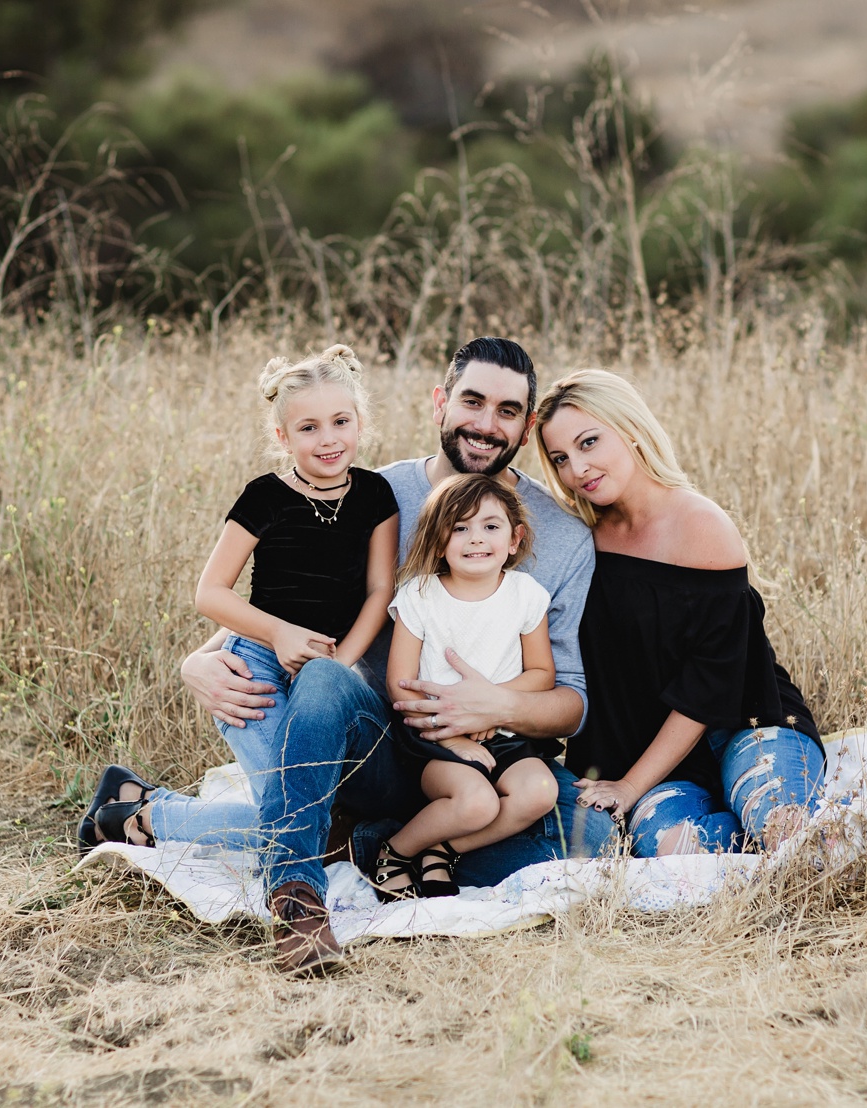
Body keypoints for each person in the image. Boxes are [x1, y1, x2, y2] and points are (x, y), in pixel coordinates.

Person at [170, 337, 600, 970]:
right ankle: (299, 897)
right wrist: (200, 657)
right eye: (472, 401)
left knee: (579, 844)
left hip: (493, 750)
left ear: (527, 425)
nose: (486, 424)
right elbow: (301, 599)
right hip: (372, 742)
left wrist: (494, 704)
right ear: (439, 403)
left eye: (507, 411)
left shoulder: (561, 538)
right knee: (325, 676)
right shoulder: (376, 493)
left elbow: (572, 702)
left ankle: (337, 841)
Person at [77, 343, 399, 973]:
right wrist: (280, 636)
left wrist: (337, 667)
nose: (328, 439)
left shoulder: (377, 496)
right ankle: (298, 909)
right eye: (308, 428)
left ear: (362, 422)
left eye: (341, 422)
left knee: (310, 816)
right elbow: (210, 592)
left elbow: (379, 592)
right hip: (253, 665)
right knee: (309, 816)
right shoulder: (263, 497)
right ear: (282, 435)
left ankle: (144, 813)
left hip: (329, 669)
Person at [532, 369, 824, 856]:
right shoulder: (577, 537)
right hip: (650, 757)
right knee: (675, 849)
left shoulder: (700, 526)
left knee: (780, 825)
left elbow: (709, 682)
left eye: (589, 443)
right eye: (560, 458)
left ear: (632, 431)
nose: (576, 469)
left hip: (744, 726)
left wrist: (629, 787)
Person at [372, 473, 561, 900]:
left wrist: (492, 707)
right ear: (439, 542)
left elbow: (542, 674)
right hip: (435, 737)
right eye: (459, 528)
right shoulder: (419, 595)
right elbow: (401, 685)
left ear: (515, 539)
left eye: (490, 526)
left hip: (505, 733)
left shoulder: (525, 594)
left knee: (540, 791)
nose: (476, 538)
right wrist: (455, 736)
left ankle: (440, 849)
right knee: (477, 803)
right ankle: (393, 852)